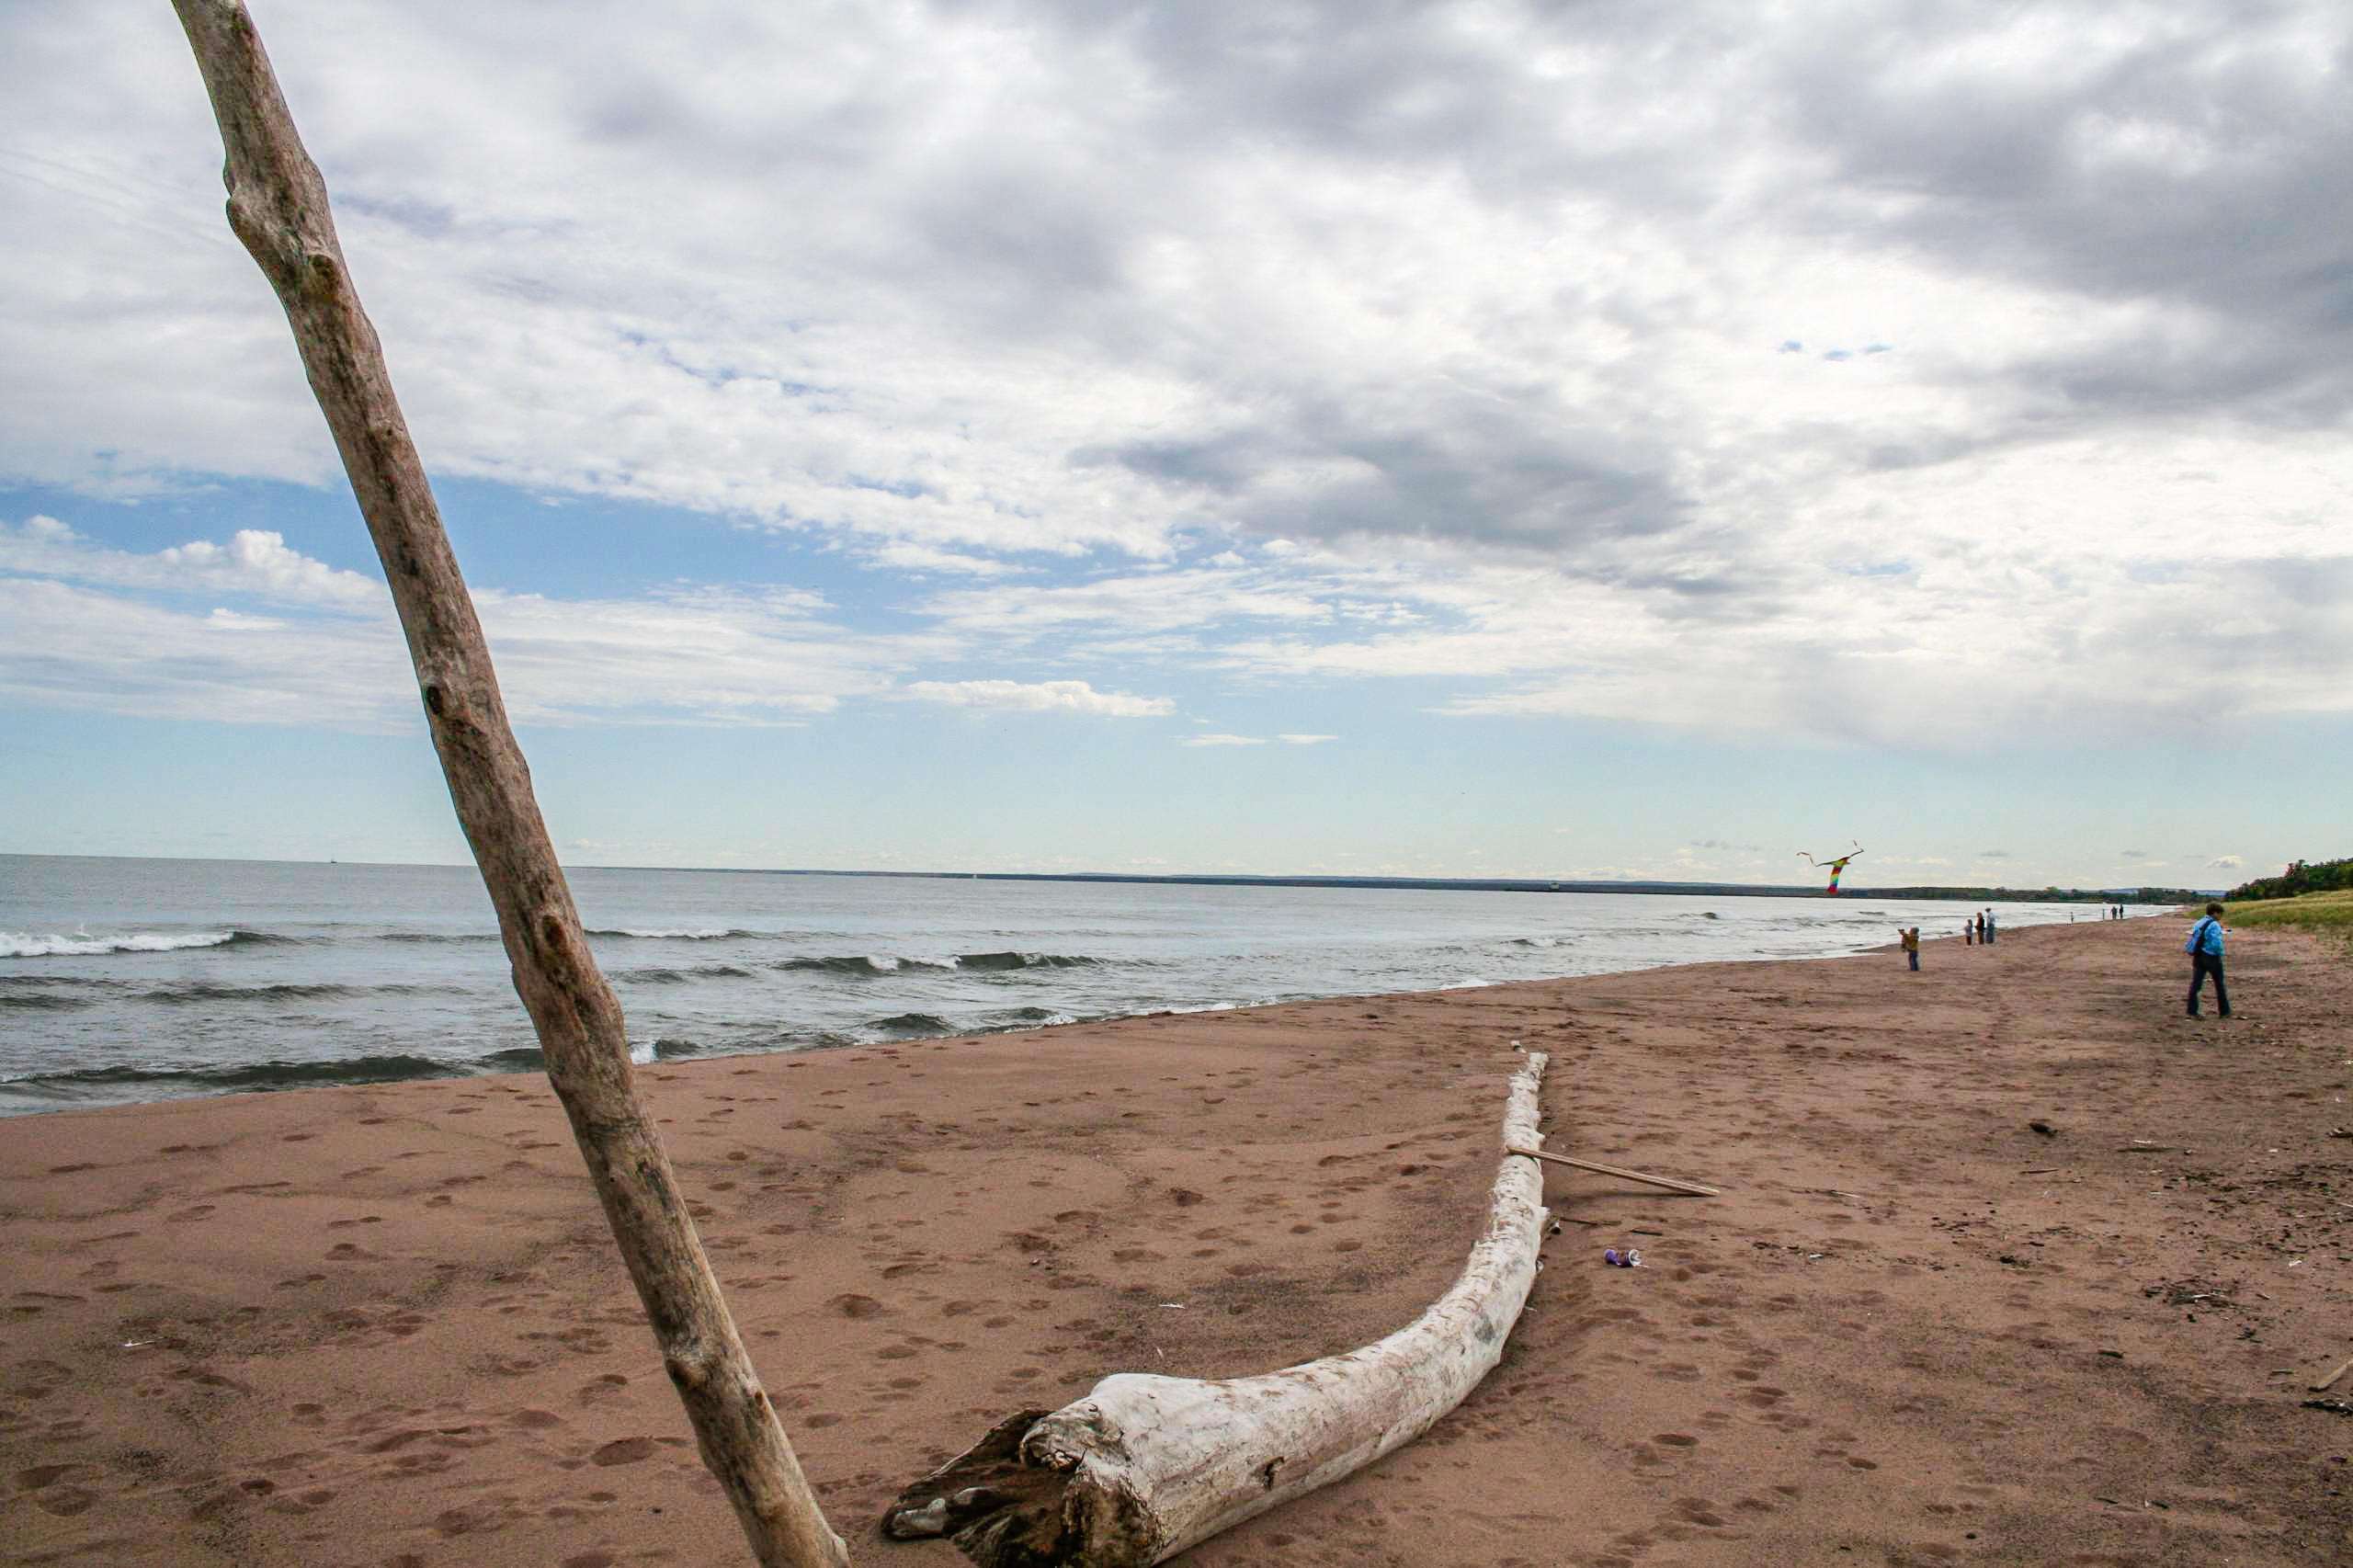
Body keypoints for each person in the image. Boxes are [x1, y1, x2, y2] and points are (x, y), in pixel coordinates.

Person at [2186, 902, 2230, 1018]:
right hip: (2211, 957)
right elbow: (2216, 942)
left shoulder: (2199, 922)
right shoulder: (2214, 924)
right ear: (2215, 913)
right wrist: (2221, 953)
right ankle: (2224, 1011)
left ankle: (2192, 1011)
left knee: (2196, 984)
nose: (2221, 916)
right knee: (2219, 984)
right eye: (2220, 914)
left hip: (2198, 956)